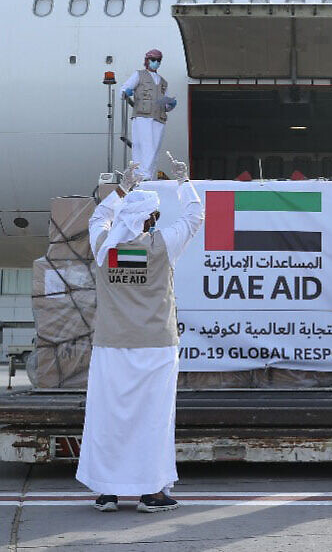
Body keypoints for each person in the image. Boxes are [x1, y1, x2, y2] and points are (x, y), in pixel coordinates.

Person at [78, 154, 203, 513]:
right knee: (152, 420)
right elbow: (195, 218)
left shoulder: (104, 247)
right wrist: (184, 184)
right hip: (155, 348)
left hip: (111, 347)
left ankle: (107, 492)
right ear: (151, 218)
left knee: (108, 417)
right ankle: (152, 493)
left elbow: (99, 216)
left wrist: (123, 187)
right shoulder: (162, 245)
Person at [121, 49, 177, 180]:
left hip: (159, 118)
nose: (155, 63)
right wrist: (127, 92)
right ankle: (141, 174)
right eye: (153, 60)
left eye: (158, 61)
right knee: (144, 145)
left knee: (155, 149)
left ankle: (150, 176)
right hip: (143, 116)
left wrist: (171, 104)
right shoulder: (139, 75)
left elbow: (166, 103)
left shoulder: (163, 82)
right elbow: (124, 89)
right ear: (147, 61)